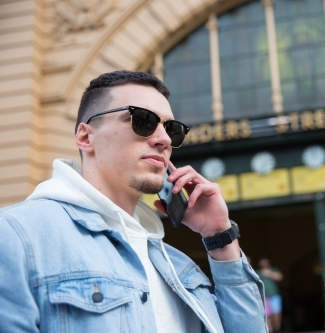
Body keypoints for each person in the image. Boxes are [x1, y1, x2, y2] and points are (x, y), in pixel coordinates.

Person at [0, 70, 267, 333]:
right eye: (142, 120)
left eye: (171, 129)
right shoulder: (16, 237)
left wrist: (219, 237)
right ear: (85, 137)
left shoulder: (176, 265)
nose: (164, 140)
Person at [257, 255, 284, 333]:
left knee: (277, 313)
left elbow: (280, 277)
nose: (263, 262)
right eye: (262, 261)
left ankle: (277, 328)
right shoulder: (257, 272)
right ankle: (270, 330)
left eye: (265, 261)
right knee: (267, 316)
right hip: (263, 297)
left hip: (274, 295)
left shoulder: (274, 270)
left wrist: (268, 274)